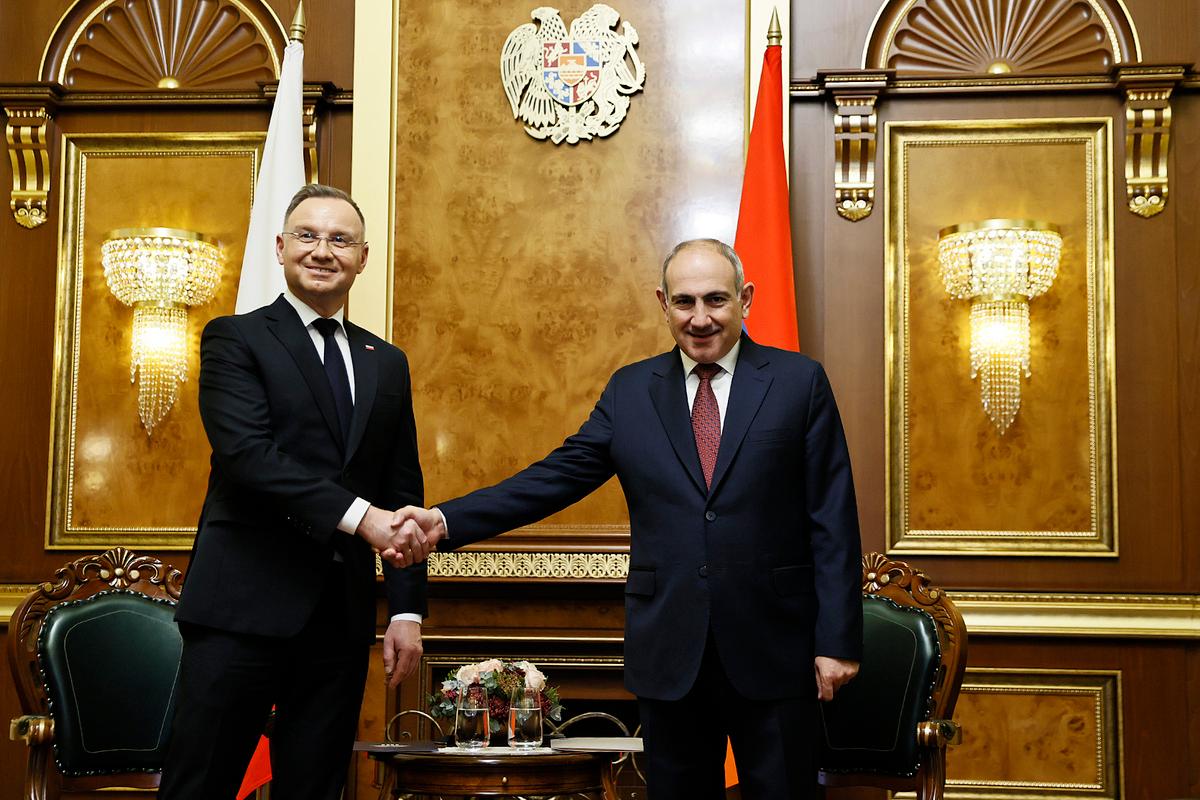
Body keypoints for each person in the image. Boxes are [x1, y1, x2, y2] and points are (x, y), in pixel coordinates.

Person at [398, 239, 863, 799]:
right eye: (685, 302)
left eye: (716, 300)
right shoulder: (631, 391)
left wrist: (836, 641)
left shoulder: (799, 382)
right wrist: (446, 521)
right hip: (671, 650)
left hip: (777, 650)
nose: (700, 318)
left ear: (746, 299)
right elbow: (553, 479)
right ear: (662, 304)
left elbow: (832, 519)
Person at [160, 184, 435, 800]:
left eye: (340, 240)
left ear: (363, 258)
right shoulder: (235, 338)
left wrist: (407, 610)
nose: (322, 251)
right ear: (281, 248)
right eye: (307, 236)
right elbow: (249, 457)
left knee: (314, 788)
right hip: (241, 611)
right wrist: (362, 519)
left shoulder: (386, 361)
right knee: (199, 785)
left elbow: (403, 485)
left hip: (337, 617)